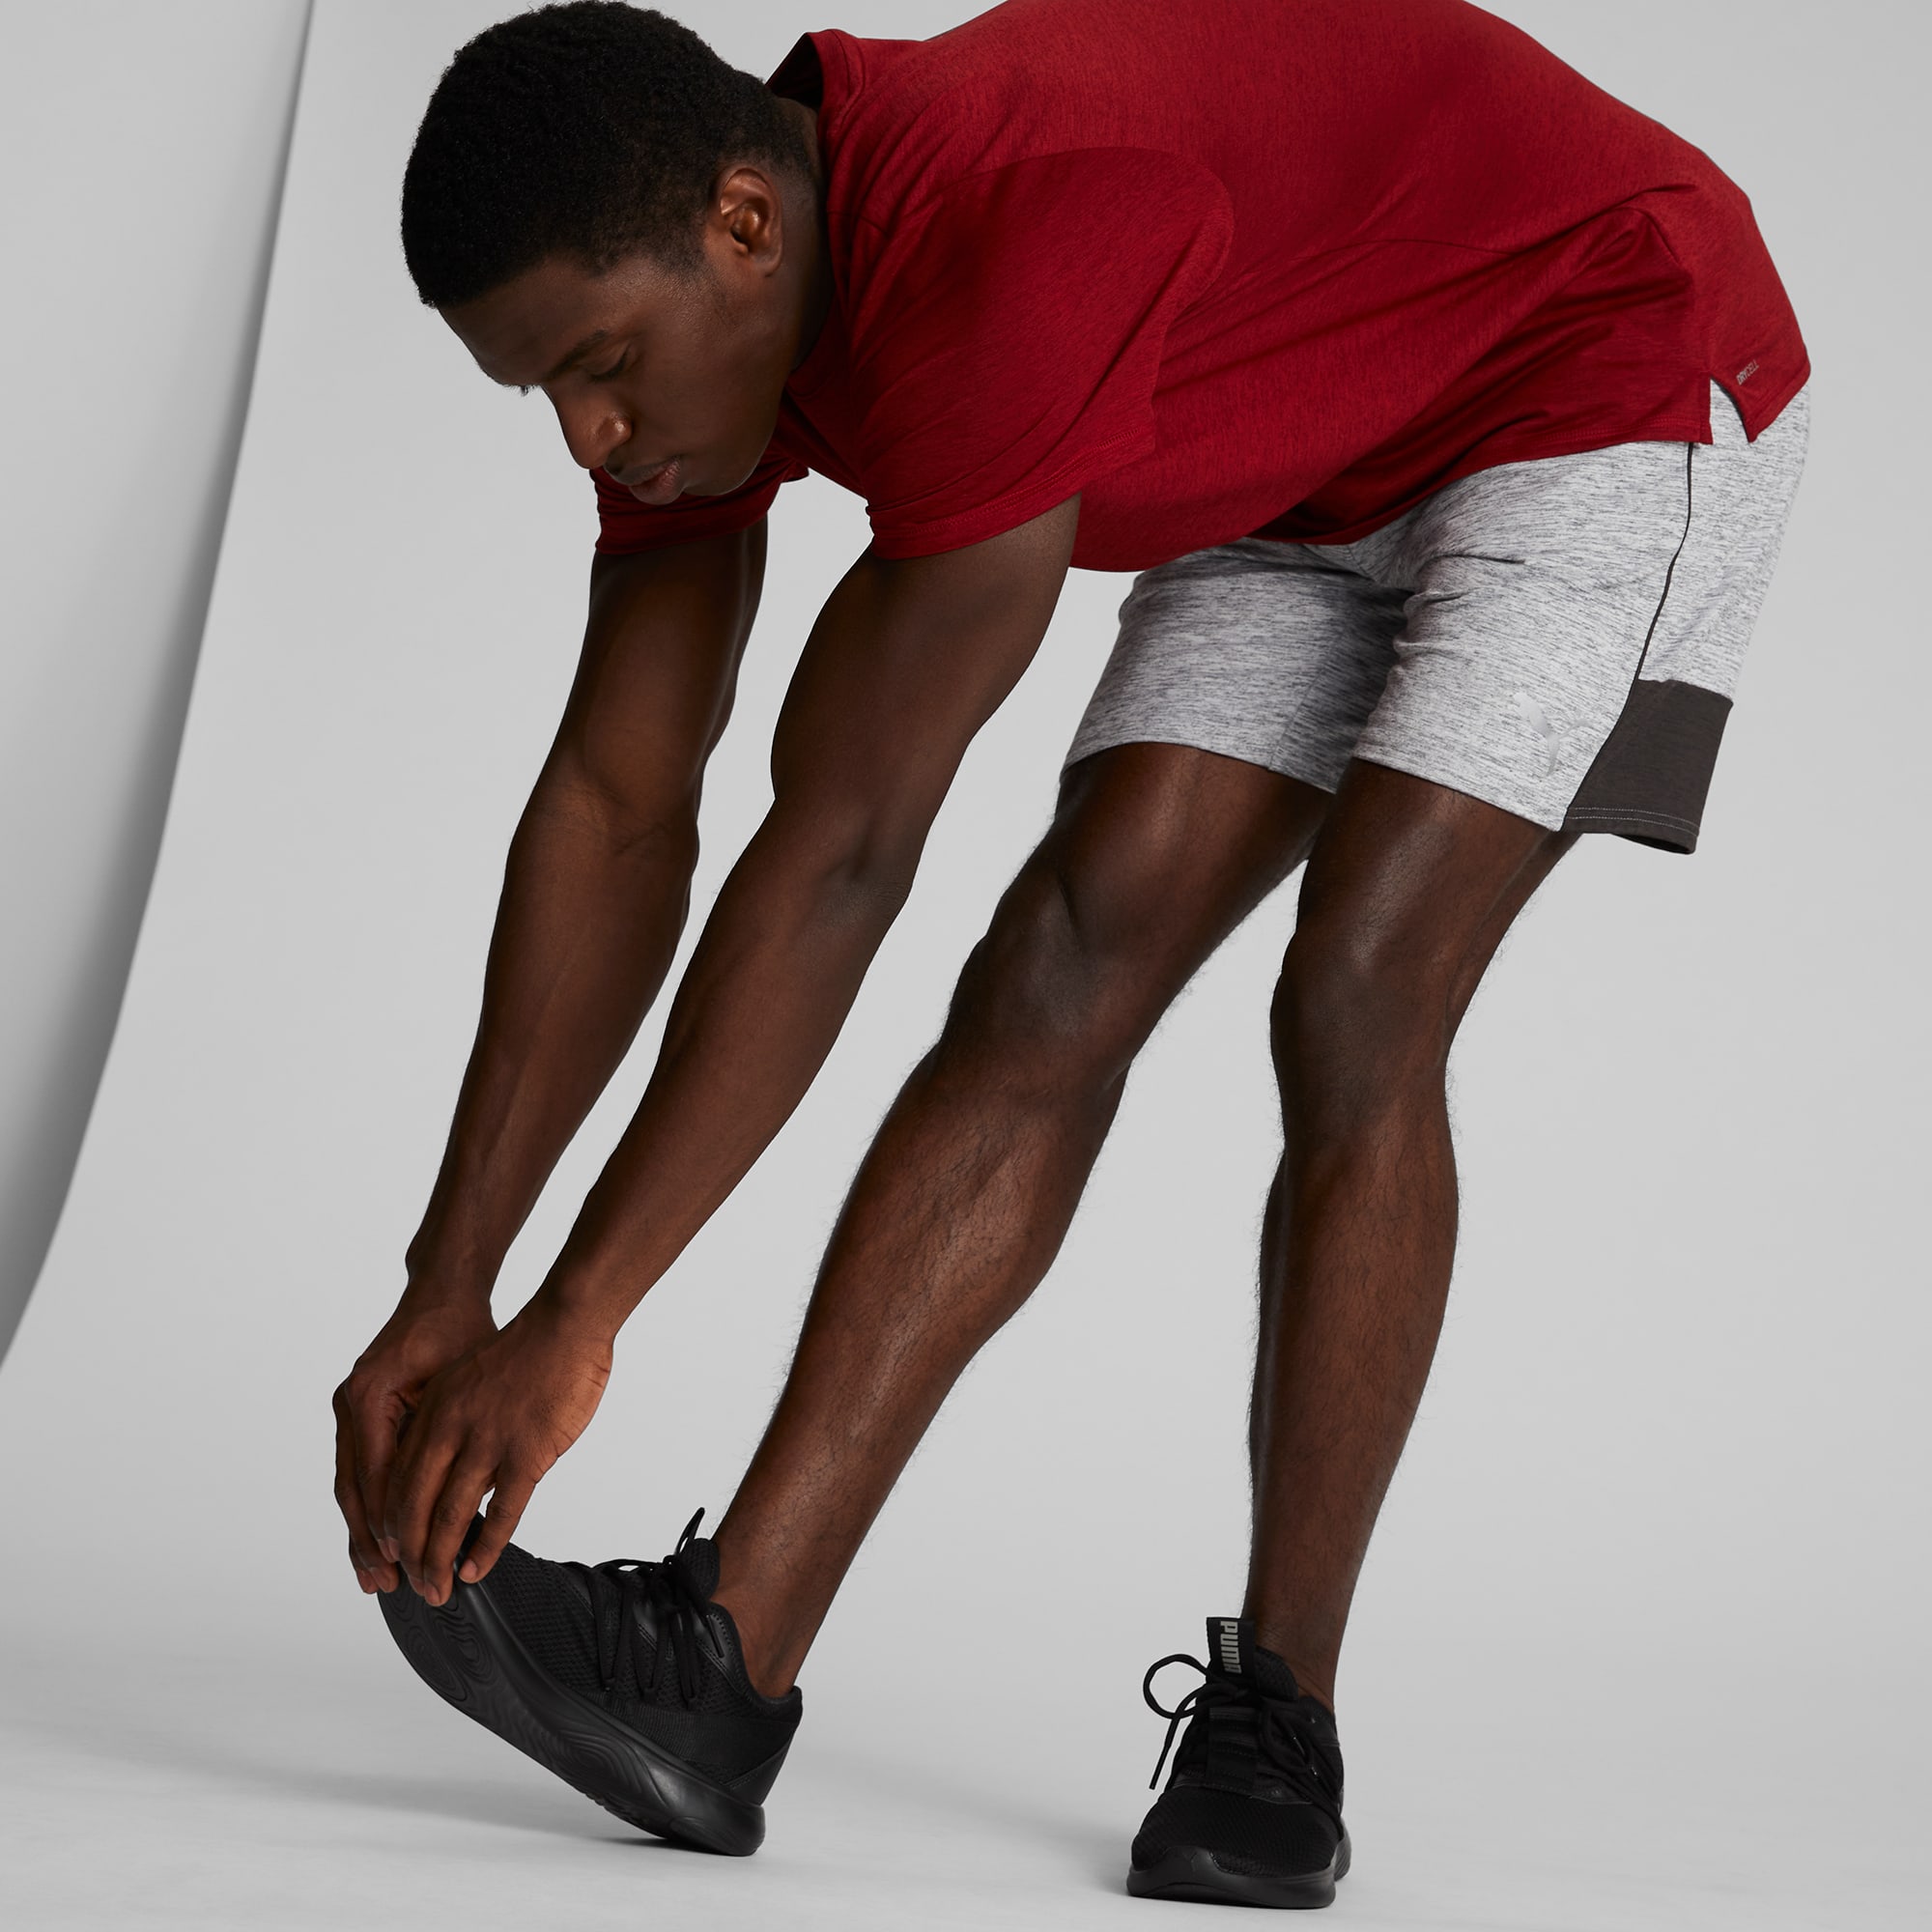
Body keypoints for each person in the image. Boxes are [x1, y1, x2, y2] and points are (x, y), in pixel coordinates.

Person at [331, 0, 1808, 1904]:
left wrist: (574, 1319)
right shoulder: (703, 321)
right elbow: (621, 808)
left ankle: (1281, 1714)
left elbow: (844, 852)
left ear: (746, 226)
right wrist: (450, 1283)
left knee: (1357, 990)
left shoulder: (1008, 246)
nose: (589, 435)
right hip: (1308, 442)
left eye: (600, 368)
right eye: (545, 391)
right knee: (1055, 969)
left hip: (1602, 355)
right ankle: (719, 1668)